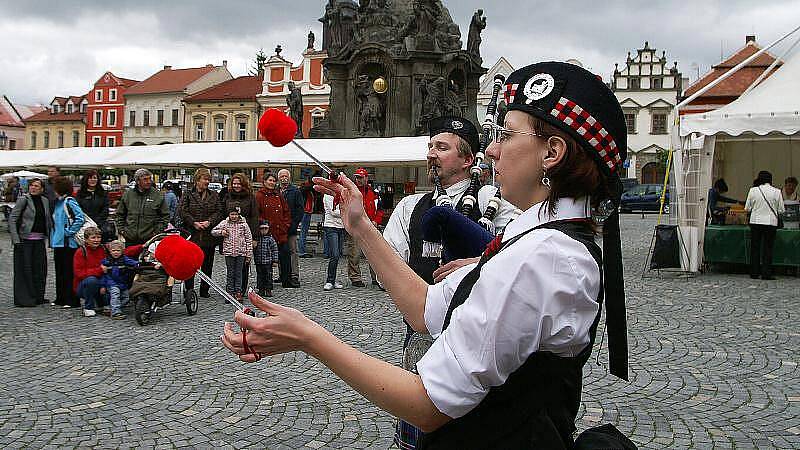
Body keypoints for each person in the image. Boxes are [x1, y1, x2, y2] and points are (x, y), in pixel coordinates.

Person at [222, 62, 631, 448]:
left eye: (506, 134)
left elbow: (427, 404)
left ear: (552, 152)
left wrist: (309, 337)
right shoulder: (540, 240)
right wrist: (362, 226)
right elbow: (425, 308)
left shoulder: (544, 256)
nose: (492, 150)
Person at [381, 115, 518, 446]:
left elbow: (518, 257)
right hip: (421, 336)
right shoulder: (409, 207)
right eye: (430, 146)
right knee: (418, 426)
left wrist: (478, 263)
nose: (431, 153)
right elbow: (388, 267)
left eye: (441, 147)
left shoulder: (493, 202)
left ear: (468, 159)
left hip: (479, 342)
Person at [9, 178, 52, 307]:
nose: (33, 188)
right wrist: (16, 240)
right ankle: (25, 298)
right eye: (32, 185)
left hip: (39, 240)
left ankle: (38, 296)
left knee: (39, 269)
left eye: (37, 186)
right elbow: (13, 219)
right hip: (24, 240)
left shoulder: (45, 201)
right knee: (25, 269)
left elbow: (47, 220)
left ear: (42, 189)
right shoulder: (24, 199)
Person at [180, 168, 221, 298]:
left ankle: (204, 290)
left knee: (207, 265)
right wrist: (194, 222)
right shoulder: (187, 194)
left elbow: (219, 212)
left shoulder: (213, 194)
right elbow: (182, 211)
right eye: (205, 179)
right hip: (192, 235)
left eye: (209, 179)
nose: (207, 182)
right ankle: (189, 290)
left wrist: (209, 222)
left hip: (208, 236)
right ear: (197, 180)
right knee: (190, 265)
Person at [220, 173, 259, 292]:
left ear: (244, 184)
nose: (236, 186)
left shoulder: (250, 197)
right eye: (234, 183)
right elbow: (222, 215)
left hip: (244, 235)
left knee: (244, 265)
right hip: (230, 236)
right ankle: (231, 289)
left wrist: (254, 237)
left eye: (239, 183)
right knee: (231, 266)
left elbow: (254, 217)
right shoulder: (227, 197)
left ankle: (241, 289)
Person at [51, 176, 86, 308]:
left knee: (68, 272)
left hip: (68, 242)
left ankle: (71, 299)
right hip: (58, 242)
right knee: (59, 271)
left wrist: (69, 232)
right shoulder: (58, 202)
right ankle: (60, 297)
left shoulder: (69, 201)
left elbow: (80, 218)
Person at [745, 170, 785, 280]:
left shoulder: (753, 190)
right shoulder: (777, 192)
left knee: (755, 248)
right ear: (770, 180)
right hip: (770, 222)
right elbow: (781, 210)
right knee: (768, 248)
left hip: (756, 221)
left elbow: (747, 208)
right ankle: (766, 273)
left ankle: (754, 272)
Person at [256, 172, 292, 288]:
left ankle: (287, 280)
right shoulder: (259, 195)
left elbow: (286, 211)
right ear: (264, 182)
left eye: (273, 181)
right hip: (267, 233)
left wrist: (285, 225)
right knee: (265, 259)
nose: (272, 183)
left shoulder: (278, 195)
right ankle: (265, 283)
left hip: (280, 231)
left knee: (285, 256)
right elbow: (257, 213)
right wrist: (264, 225)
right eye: (270, 180)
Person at [115, 168, 169, 246]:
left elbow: (165, 216)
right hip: (130, 238)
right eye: (145, 179)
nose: (149, 182)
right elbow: (120, 214)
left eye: (150, 179)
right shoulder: (128, 194)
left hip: (149, 239)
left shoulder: (158, 195)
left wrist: (156, 232)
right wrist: (122, 230)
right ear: (137, 181)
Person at [345, 168, 379, 287]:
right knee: (354, 253)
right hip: (356, 226)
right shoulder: (351, 192)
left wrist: (376, 220)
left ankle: (376, 278)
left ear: (366, 178)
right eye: (357, 178)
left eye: (360, 177)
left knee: (374, 254)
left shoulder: (373, 192)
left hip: (370, 226)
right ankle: (355, 278)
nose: (358, 180)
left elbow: (379, 208)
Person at [212, 205, 254, 301]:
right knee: (230, 273)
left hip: (241, 253)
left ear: (239, 215)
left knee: (239, 273)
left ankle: (238, 291)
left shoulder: (244, 225)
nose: (234, 216)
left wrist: (248, 254)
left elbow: (248, 239)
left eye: (235, 214)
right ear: (229, 214)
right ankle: (230, 292)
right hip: (229, 252)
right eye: (232, 214)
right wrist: (221, 232)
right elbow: (213, 231)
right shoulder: (225, 223)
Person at [72, 227, 107, 317]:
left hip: (103, 281)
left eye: (98, 237)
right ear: (86, 239)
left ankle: (102, 303)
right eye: (93, 238)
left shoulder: (104, 249)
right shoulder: (81, 252)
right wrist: (99, 270)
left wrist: (141, 247)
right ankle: (89, 307)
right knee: (92, 281)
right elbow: (79, 273)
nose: (96, 240)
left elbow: (122, 252)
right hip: (85, 284)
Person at [100, 240, 140, 320]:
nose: (116, 252)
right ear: (110, 251)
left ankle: (111, 308)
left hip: (122, 283)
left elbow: (133, 262)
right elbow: (103, 275)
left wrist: (139, 263)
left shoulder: (124, 259)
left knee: (127, 297)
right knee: (115, 295)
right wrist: (103, 285)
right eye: (113, 250)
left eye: (118, 250)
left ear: (122, 251)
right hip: (111, 282)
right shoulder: (106, 261)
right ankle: (116, 312)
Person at [278, 168, 304, 287]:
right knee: (280, 251)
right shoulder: (276, 190)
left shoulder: (295, 191)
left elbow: (299, 210)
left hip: (291, 226)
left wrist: (293, 224)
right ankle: (283, 274)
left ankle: (294, 275)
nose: (284, 178)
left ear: (289, 177)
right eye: (282, 176)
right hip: (278, 227)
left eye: (286, 176)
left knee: (292, 251)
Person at [322, 193, 344, 291]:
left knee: (338, 254)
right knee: (334, 254)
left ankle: (333, 279)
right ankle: (329, 280)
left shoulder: (342, 194)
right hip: (331, 226)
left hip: (341, 227)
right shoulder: (328, 195)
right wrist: (346, 211)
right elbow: (334, 212)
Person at [253, 220, 279, 297]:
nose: (264, 230)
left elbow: (275, 250)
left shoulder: (270, 239)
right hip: (259, 261)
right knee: (260, 276)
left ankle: (268, 289)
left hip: (268, 262)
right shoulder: (257, 239)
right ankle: (261, 289)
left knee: (268, 276)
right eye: (262, 229)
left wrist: (275, 261)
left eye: (265, 229)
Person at [298, 175, 316, 258]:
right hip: (305, 211)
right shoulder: (305, 189)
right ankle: (301, 251)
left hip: (307, 211)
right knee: (303, 232)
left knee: (304, 231)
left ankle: (302, 249)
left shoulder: (307, 190)